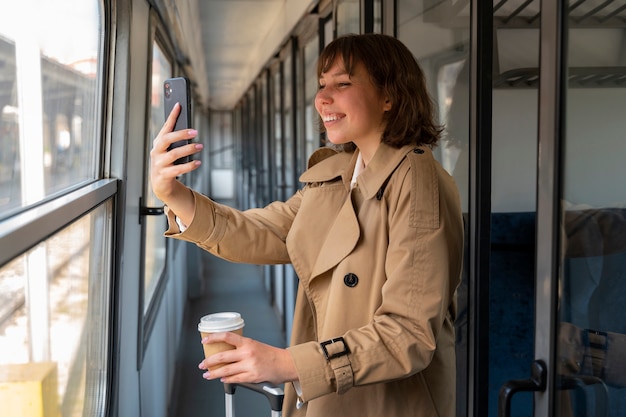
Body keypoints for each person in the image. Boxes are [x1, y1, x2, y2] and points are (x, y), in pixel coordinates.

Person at [150, 33, 464, 417]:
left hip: (386, 404)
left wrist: (288, 364)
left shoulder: (415, 178)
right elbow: (260, 231)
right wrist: (172, 192)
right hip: (332, 394)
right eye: (321, 85)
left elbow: (408, 334)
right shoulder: (337, 175)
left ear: (389, 96)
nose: (323, 98)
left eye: (343, 84)